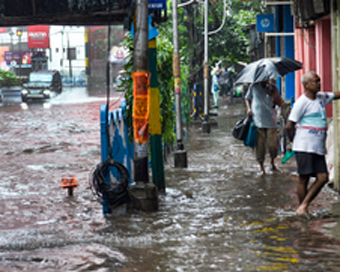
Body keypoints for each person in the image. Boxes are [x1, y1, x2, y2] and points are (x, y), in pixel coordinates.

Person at [286, 71, 340, 218]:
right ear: (306, 85)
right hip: (304, 146)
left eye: (319, 81)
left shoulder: (322, 98)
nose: (319, 84)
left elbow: (336, 95)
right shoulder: (301, 102)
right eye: (315, 81)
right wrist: (293, 141)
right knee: (304, 178)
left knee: (323, 177)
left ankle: (303, 206)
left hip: (318, 147)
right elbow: (289, 125)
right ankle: (303, 208)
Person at [245, 79, 282, 175]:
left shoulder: (273, 87)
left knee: (273, 145)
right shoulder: (253, 86)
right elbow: (247, 98)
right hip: (257, 121)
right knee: (260, 146)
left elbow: (280, 103)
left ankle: (272, 162)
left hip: (271, 120)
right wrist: (249, 108)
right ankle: (262, 168)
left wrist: (273, 92)